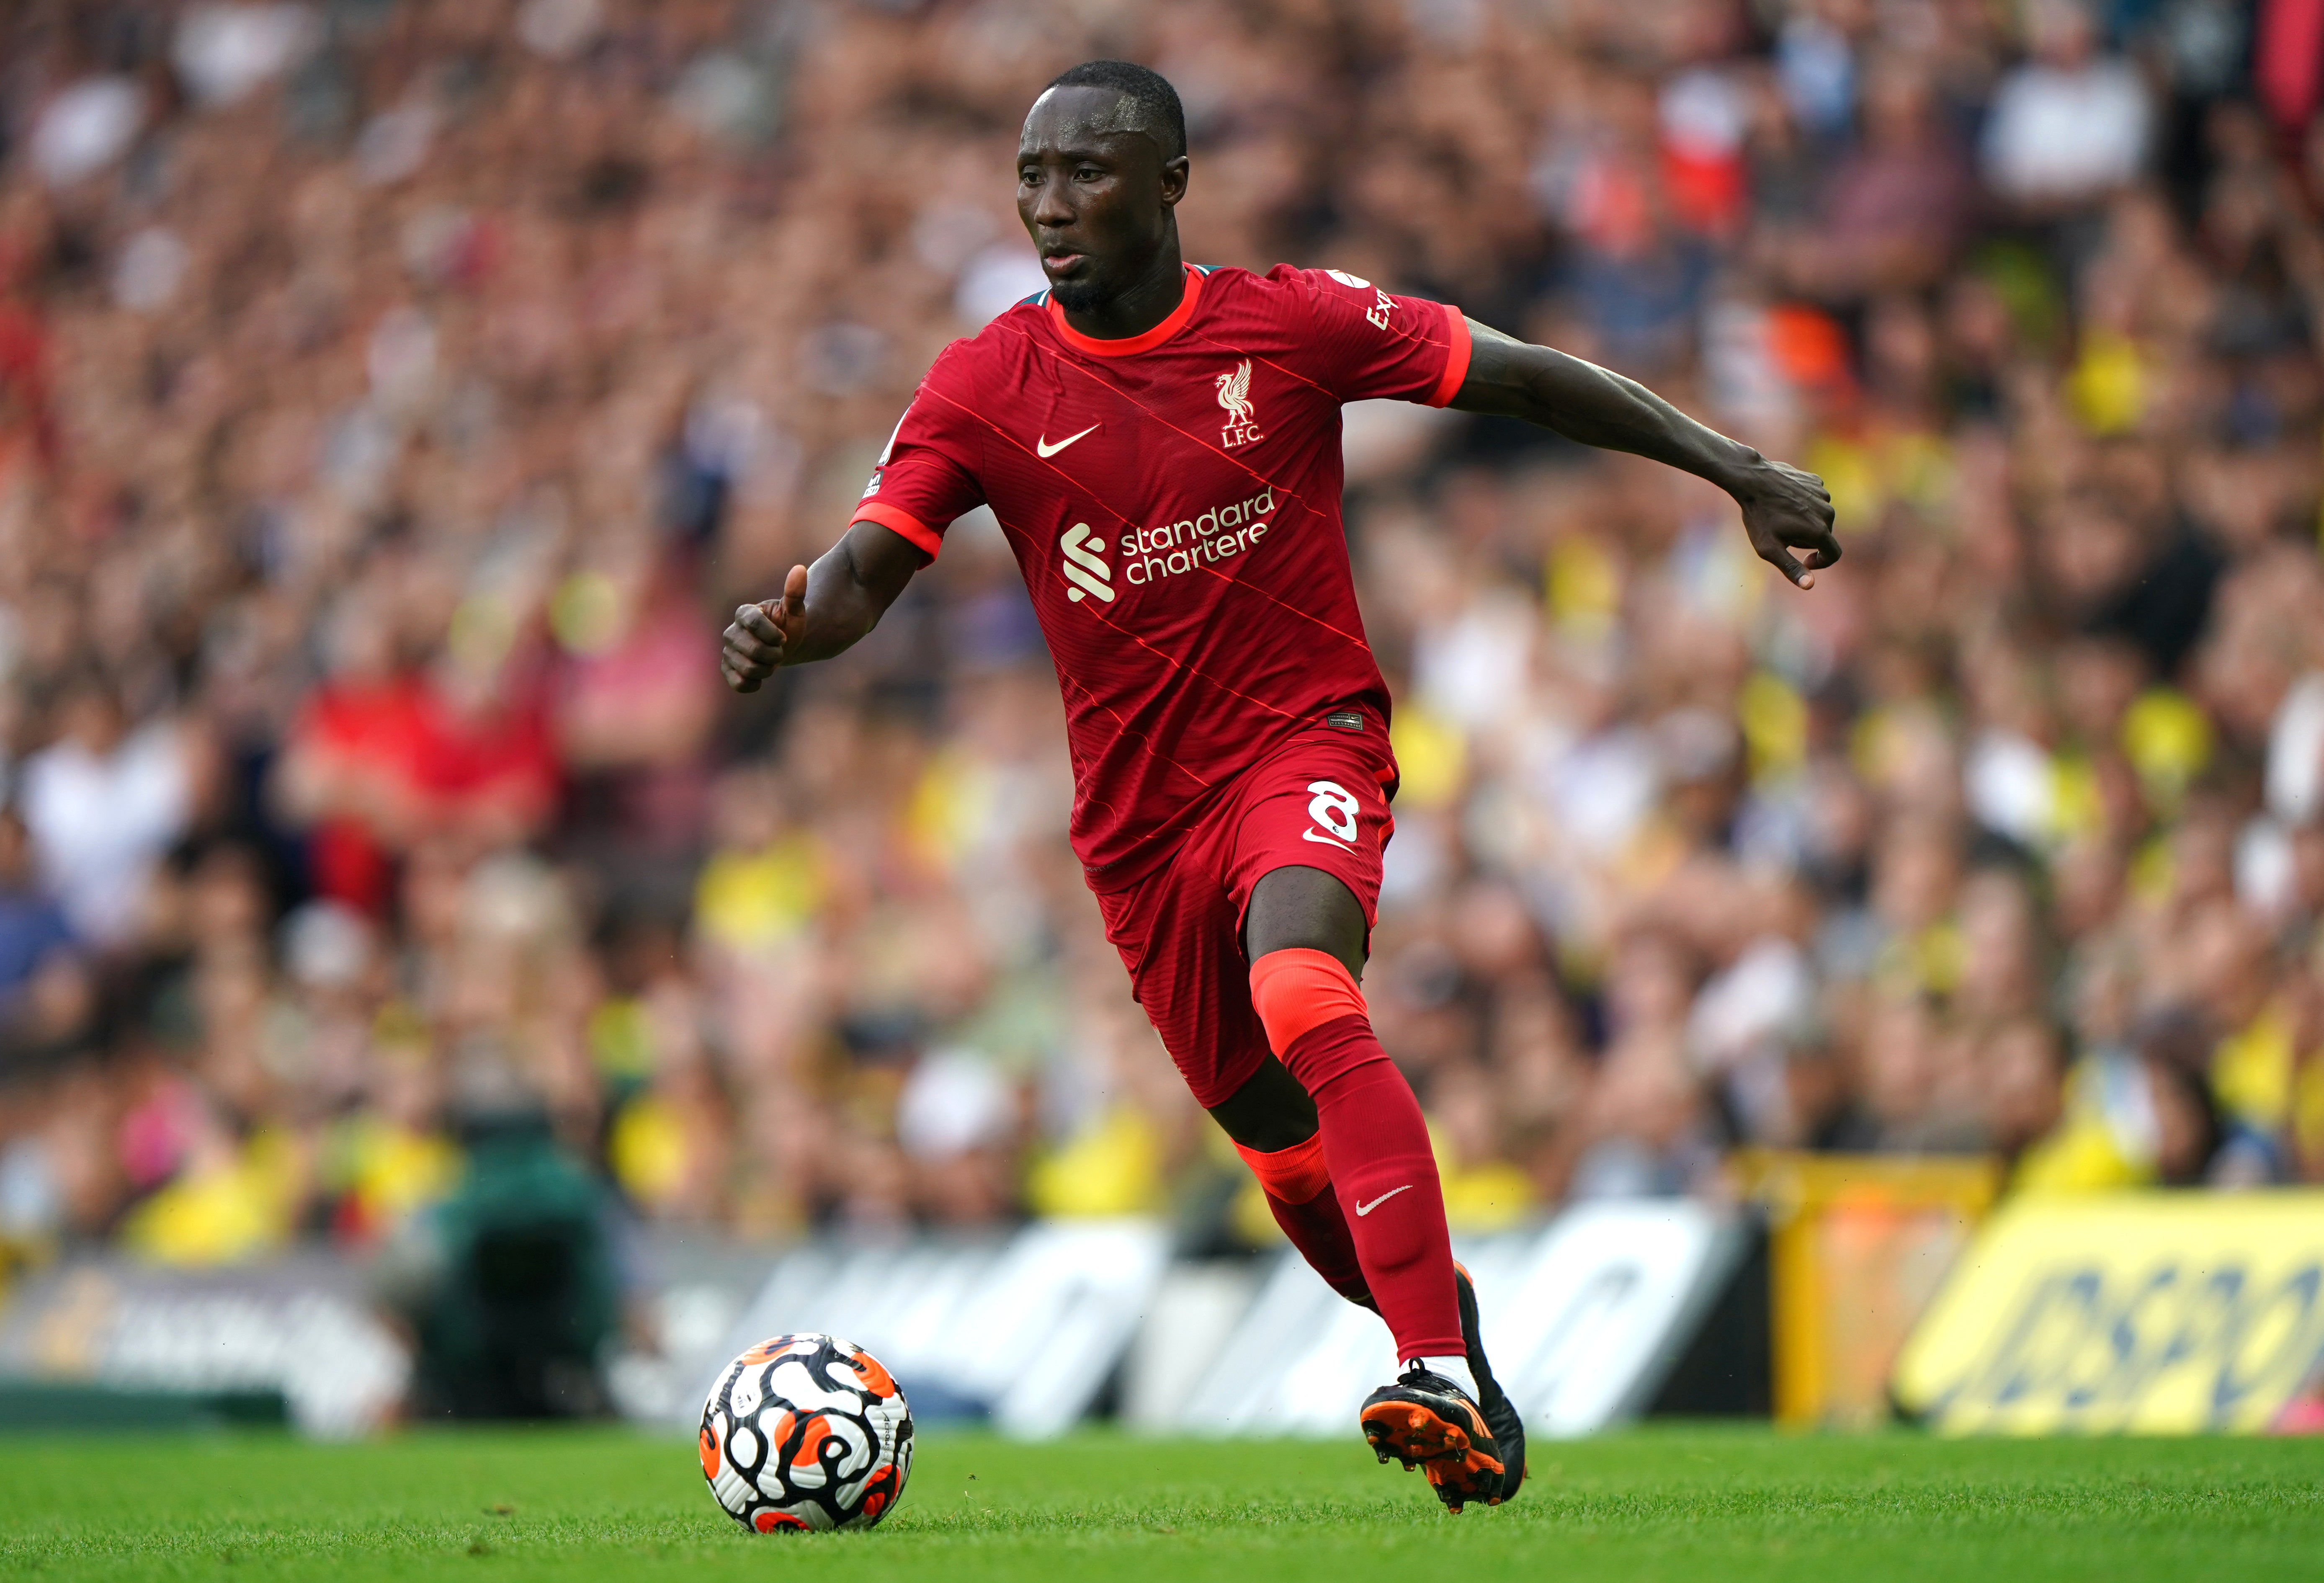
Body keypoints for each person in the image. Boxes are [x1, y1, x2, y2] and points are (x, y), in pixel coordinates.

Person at [720, 59, 1838, 1513]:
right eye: (1032, 179)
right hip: (1138, 831)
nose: (1051, 208)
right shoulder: (985, 382)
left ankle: (1431, 1363)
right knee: (1284, 1157)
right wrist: (798, 626)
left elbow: (1533, 379)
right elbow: (871, 569)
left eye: (1088, 175)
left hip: (1302, 738)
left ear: (1173, 184)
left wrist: (1736, 465)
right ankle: (1460, 1360)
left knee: (1306, 990)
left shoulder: (1289, 325)